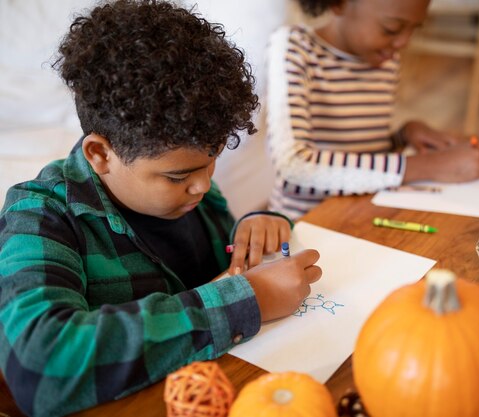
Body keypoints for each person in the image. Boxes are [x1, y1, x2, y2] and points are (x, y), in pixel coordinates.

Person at [0, 1, 321, 416]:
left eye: (212, 161)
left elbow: (230, 261)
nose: (204, 185)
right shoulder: (38, 215)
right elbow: (40, 367)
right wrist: (249, 298)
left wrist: (258, 224)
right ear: (100, 154)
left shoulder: (194, 194)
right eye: (177, 176)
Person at [266, 0, 479, 219]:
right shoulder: (294, 48)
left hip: (367, 211)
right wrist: (427, 166)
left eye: (414, 29)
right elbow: (294, 167)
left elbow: (364, 155)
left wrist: (405, 134)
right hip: (305, 223)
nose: (403, 43)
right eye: (391, 28)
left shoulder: (385, 60)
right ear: (339, 3)